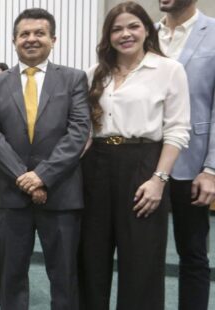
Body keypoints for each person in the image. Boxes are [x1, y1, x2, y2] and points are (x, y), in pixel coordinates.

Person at [79, 2, 190, 309]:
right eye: (116, 29)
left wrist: (159, 179)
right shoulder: (94, 74)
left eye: (133, 26)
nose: (125, 34)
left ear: (146, 30)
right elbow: (86, 132)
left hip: (143, 164)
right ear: (108, 36)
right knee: (90, 257)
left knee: (142, 260)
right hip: (96, 165)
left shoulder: (169, 70)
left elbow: (178, 130)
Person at [0, 8, 90, 310]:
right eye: (24, 34)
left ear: (53, 39)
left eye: (39, 33)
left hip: (61, 194)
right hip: (12, 197)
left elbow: (78, 132)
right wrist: (25, 179)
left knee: (64, 278)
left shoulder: (73, 79)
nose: (31, 39)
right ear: (14, 41)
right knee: (10, 278)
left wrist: (42, 176)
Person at [158, 0, 215, 308]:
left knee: (193, 254)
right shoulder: (146, 34)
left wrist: (212, 169)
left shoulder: (214, 33)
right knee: (143, 251)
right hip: (144, 162)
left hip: (192, 164)